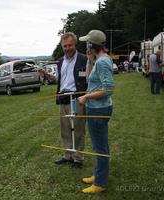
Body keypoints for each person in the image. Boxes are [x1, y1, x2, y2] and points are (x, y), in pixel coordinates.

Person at [78, 30, 114, 193]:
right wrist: (90, 59)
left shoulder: (103, 62)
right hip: (97, 108)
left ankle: (100, 183)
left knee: (100, 147)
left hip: (98, 109)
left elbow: (108, 89)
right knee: (100, 144)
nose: (86, 45)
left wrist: (86, 97)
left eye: (88, 43)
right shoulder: (98, 60)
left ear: (92, 45)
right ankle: (99, 175)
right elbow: (89, 79)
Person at [50, 32, 87, 168]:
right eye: (65, 46)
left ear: (75, 44)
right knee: (64, 128)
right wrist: (48, 76)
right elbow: (59, 80)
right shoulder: (60, 62)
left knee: (78, 128)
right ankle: (68, 155)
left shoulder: (84, 59)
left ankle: (78, 158)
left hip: (77, 97)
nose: (67, 48)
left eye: (70, 45)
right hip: (63, 97)